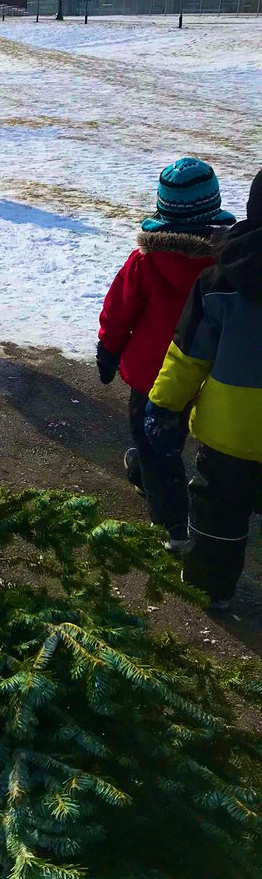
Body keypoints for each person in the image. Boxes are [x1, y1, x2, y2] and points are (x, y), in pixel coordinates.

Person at [96, 158, 235, 550]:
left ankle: (173, 526)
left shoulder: (146, 261)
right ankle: (149, 471)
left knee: (157, 446)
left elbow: (117, 310)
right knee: (179, 438)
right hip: (210, 374)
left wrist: (108, 350)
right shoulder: (229, 264)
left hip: (152, 378)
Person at [145, 169, 262, 610]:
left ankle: (210, 587)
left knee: (218, 516)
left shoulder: (221, 279)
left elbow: (188, 355)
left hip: (228, 432)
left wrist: (163, 406)